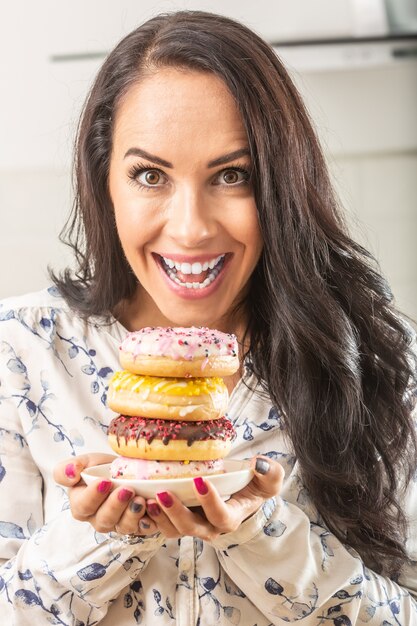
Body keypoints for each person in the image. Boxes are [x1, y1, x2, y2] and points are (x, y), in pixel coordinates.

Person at [0, 9, 416, 625]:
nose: (191, 227)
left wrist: (266, 537)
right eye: (149, 175)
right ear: (103, 181)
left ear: (280, 184)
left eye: (232, 176)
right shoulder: (21, 354)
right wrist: (100, 538)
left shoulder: (377, 362)